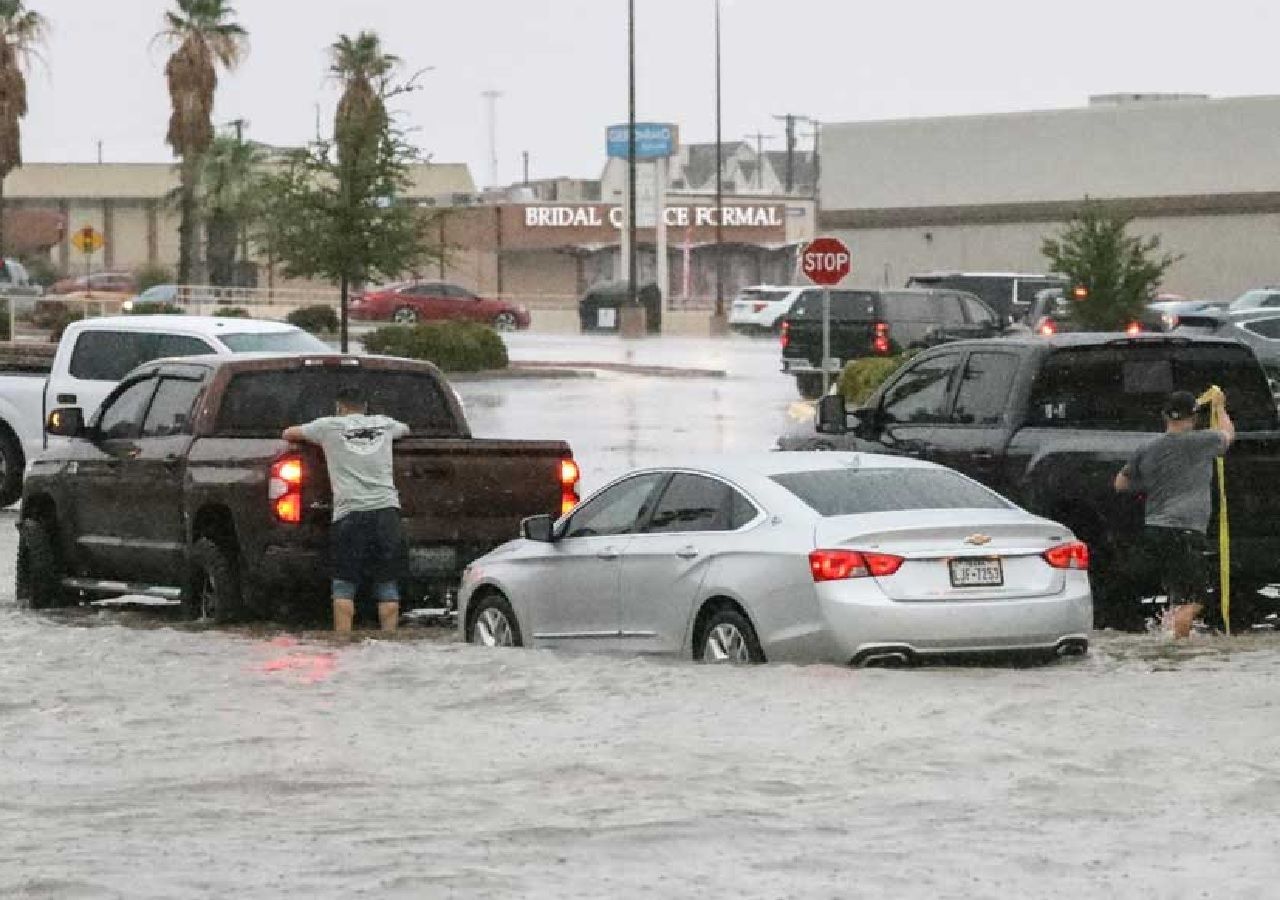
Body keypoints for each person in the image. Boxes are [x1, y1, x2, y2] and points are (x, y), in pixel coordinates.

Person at [283, 387, 409, 635]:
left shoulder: (327, 426)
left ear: (339, 407)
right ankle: (391, 640)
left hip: (350, 515)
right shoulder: (384, 424)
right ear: (365, 407)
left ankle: (342, 642)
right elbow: (405, 429)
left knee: (344, 584)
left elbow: (288, 433)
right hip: (387, 513)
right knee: (387, 585)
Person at [1114, 389, 1234, 638]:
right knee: (1197, 598)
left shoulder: (1146, 447)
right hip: (1186, 531)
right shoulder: (1202, 441)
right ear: (1194, 416)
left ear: (1164, 416)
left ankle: (1169, 637)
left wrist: (1153, 483)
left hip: (1156, 529)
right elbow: (1228, 435)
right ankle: (1176, 649)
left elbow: (1120, 484)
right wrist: (1220, 408)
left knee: (1178, 595)